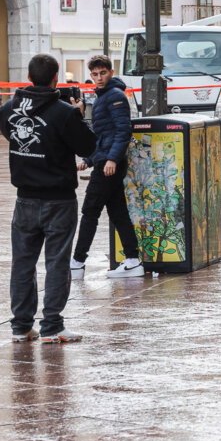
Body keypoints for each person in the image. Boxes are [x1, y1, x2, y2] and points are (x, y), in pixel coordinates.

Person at [0, 54, 96, 343]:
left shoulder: (9, 107)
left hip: (25, 198)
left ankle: (21, 326)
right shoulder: (63, 112)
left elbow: (9, 132)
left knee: (22, 263)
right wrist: (78, 115)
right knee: (56, 262)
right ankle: (52, 326)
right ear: (56, 78)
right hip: (59, 199)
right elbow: (88, 145)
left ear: (29, 77)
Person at [69, 56, 142, 280]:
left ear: (111, 72)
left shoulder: (115, 96)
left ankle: (77, 262)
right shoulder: (103, 96)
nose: (99, 78)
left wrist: (111, 160)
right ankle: (132, 261)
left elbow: (123, 131)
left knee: (90, 210)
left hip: (111, 165)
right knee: (117, 212)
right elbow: (104, 136)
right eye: (95, 74)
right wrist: (89, 160)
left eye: (102, 73)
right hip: (106, 162)